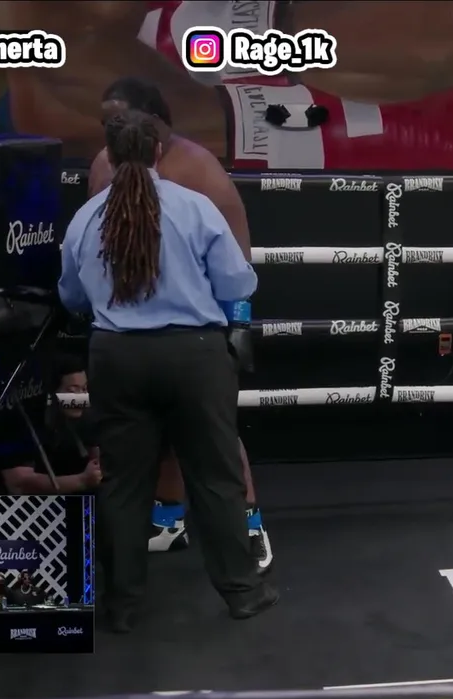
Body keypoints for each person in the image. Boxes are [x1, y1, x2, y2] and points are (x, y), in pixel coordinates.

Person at [59, 109, 276, 632]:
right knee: (216, 477)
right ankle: (243, 593)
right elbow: (237, 283)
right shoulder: (194, 207)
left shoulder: (86, 218)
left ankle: (122, 606)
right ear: (158, 150)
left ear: (109, 156)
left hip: (118, 355)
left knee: (124, 483)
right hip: (193, 354)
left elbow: (72, 296)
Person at [0, 354, 103, 495]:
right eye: (72, 390)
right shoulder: (27, 421)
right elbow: (19, 483)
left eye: (84, 389)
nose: (80, 398)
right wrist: (81, 481)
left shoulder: (84, 420)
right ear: (52, 393)